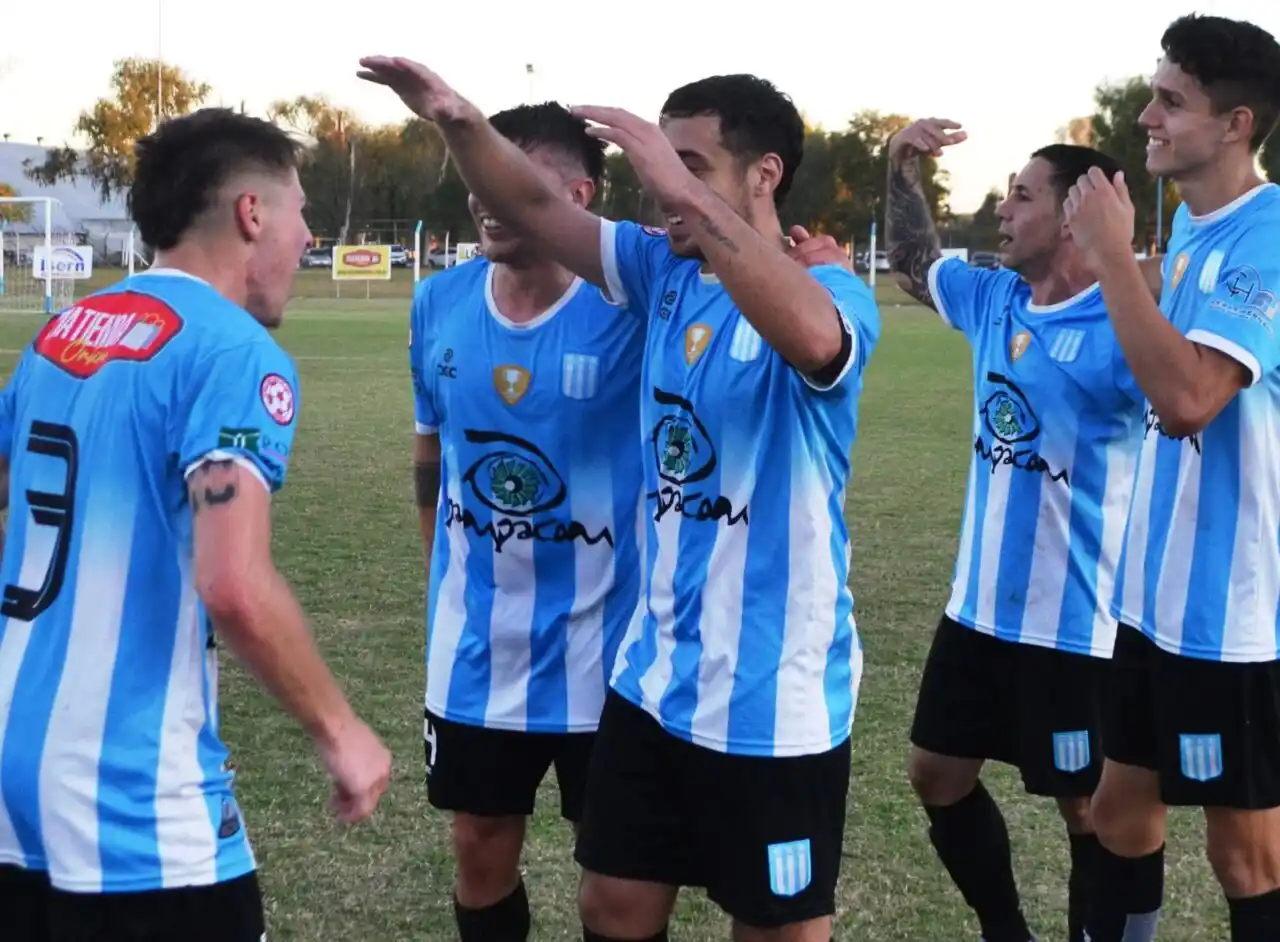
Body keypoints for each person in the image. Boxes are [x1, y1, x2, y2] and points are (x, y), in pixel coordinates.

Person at [363, 58, 879, 942]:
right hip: (649, 687)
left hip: (770, 696)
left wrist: (688, 199)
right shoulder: (660, 273)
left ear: (765, 176)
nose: (662, 193)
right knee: (613, 906)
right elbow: (534, 209)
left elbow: (813, 339)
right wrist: (458, 120)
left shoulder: (830, 292)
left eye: (691, 167)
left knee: (777, 931)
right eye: (659, 170)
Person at [0, 107, 391, 942]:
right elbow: (234, 583)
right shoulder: (230, 351)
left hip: (12, 765)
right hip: (129, 789)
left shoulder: (62, 333)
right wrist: (343, 731)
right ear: (253, 214)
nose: (309, 234)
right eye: (300, 210)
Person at [887, 125, 1154, 942]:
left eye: (1021, 194)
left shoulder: (1126, 327)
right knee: (935, 773)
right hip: (976, 611)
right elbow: (912, 262)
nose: (1001, 208)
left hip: (1078, 626)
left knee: (1088, 806)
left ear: (1073, 219)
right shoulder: (994, 295)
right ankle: (1008, 931)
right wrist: (899, 166)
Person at [1059, 13, 1280, 942]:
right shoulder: (1195, 227)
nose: (1146, 116)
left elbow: (1191, 396)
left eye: (1169, 101)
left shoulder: (1267, 236)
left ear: (1236, 124)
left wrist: (1109, 256)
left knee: (1246, 857)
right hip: (1151, 601)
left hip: (1229, 615)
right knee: (1119, 812)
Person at [410, 101, 644, 942]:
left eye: (515, 181)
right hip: (478, 651)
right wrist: (442, 563)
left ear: (577, 196)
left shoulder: (631, 308)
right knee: (478, 849)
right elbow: (430, 452)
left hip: (609, 653)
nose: (488, 199)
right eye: (480, 179)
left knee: (617, 882)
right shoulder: (438, 302)